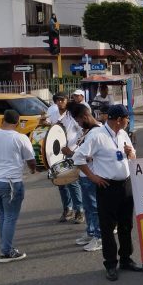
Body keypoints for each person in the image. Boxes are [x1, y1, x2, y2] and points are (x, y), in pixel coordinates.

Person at [79, 105, 143, 281]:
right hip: (107, 187)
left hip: (126, 185)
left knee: (126, 225)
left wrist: (131, 153)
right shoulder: (97, 135)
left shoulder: (122, 134)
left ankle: (125, 259)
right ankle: (110, 264)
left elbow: (133, 156)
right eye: (126, 118)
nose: (128, 121)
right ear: (118, 119)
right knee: (107, 227)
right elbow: (78, 157)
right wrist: (93, 177)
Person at [0, 110, 37, 263]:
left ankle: (5, 247)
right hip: (11, 183)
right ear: (17, 123)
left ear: (2, 120)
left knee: (3, 216)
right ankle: (6, 252)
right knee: (10, 217)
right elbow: (30, 159)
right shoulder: (21, 138)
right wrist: (32, 169)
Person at [70, 103, 104, 252]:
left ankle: (99, 236)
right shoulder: (89, 131)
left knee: (94, 207)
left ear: (85, 117)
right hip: (85, 175)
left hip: (91, 175)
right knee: (88, 207)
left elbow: (91, 155)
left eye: (78, 121)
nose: (78, 124)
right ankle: (91, 232)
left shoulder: (96, 132)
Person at [55, 94, 87, 225]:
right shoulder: (52, 113)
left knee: (72, 183)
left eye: (63, 100)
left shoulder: (72, 116)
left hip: (70, 154)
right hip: (57, 154)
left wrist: (74, 150)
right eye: (58, 100)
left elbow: (83, 132)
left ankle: (79, 210)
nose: (60, 102)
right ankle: (68, 210)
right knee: (61, 183)